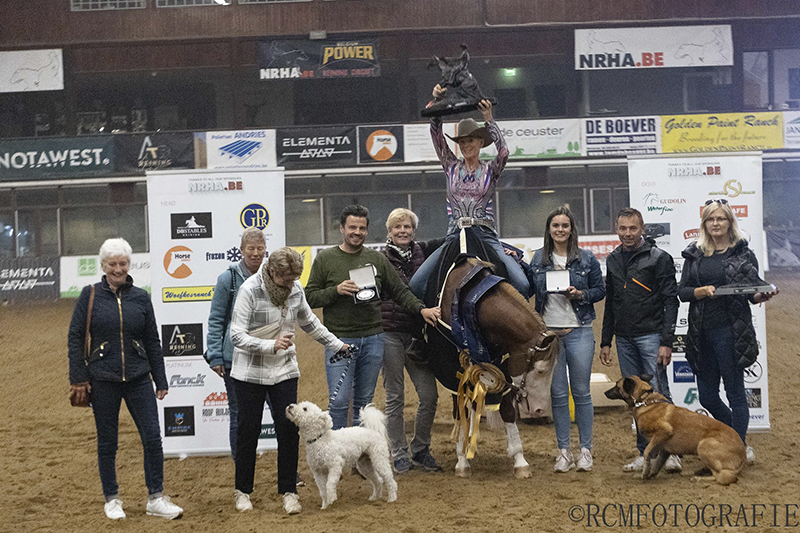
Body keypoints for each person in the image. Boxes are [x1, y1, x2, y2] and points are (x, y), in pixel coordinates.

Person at [67, 238, 183, 521]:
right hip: (102, 379)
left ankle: (156, 497)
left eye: (123, 263)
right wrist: (79, 377)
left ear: (129, 264)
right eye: (112, 264)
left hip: (138, 377)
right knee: (108, 442)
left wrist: (161, 379)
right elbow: (74, 338)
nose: (118, 268)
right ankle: (112, 499)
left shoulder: (141, 297)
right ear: (103, 266)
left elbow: (153, 340)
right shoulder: (89, 295)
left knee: (153, 438)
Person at [229, 247, 350, 515]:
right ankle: (243, 491)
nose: (291, 283)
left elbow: (311, 324)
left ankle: (289, 492)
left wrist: (338, 345)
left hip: (284, 370)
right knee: (248, 432)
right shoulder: (250, 289)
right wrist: (269, 345)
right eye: (286, 278)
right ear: (272, 271)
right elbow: (235, 335)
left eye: (295, 277)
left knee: (287, 431)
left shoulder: (295, 290)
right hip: (249, 372)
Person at [305, 205, 440, 430]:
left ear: (367, 231)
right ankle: (339, 449)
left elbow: (400, 291)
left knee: (364, 402)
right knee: (338, 401)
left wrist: (421, 309)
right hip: (339, 341)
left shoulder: (376, 259)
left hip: (373, 339)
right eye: (352, 227)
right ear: (342, 229)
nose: (357, 232)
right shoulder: (325, 259)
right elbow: (309, 297)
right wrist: (336, 290)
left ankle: (359, 454)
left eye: (362, 228)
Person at [678, 199, 778, 464]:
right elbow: (683, 292)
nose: (715, 223)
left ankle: (740, 447)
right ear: (704, 224)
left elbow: (752, 291)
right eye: (711, 219)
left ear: (730, 222)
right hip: (701, 334)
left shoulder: (743, 254)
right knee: (708, 397)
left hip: (732, 332)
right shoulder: (693, 254)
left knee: (736, 393)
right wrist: (700, 292)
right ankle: (735, 438)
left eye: (721, 218)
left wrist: (762, 295)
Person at [408, 84, 530, 298]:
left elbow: (504, 151)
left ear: (481, 142)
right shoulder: (450, 165)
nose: (466, 145)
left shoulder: (491, 170)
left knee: (522, 283)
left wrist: (489, 119)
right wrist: (436, 101)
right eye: (462, 142)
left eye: (471, 140)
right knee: (417, 283)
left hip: (485, 234)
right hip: (454, 233)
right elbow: (436, 135)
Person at [599, 207, 681, 473]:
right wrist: (605, 341)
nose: (628, 233)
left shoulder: (659, 258)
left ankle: (672, 453)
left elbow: (671, 300)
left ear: (642, 228)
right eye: (623, 228)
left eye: (633, 228)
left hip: (651, 335)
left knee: (658, 393)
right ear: (616, 228)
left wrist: (666, 341)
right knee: (634, 400)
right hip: (623, 338)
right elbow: (610, 302)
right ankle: (643, 453)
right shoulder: (612, 259)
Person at [528, 207, 605, 473]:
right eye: (555, 226)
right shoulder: (537, 259)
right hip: (549, 336)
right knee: (558, 394)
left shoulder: (587, 259)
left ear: (572, 230)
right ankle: (563, 451)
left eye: (565, 225)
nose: (560, 230)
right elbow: (526, 287)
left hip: (580, 331)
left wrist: (580, 294)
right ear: (549, 230)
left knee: (581, 393)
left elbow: (599, 290)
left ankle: (585, 450)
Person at [380, 208, 445, 474]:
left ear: (414, 231)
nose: (403, 231)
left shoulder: (424, 251)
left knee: (429, 396)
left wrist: (505, 249)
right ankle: (398, 453)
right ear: (389, 231)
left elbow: (453, 241)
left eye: (407, 227)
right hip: (390, 333)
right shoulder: (379, 258)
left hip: (418, 336)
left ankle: (420, 449)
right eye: (398, 227)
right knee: (395, 397)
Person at [206, 227, 267, 460]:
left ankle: (289, 473)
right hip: (235, 358)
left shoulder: (273, 276)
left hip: (268, 355)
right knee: (239, 414)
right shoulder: (227, 279)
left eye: (260, 249)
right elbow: (216, 320)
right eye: (250, 249)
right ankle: (241, 467)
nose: (255, 253)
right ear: (241, 250)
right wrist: (215, 355)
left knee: (281, 415)